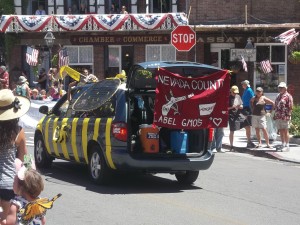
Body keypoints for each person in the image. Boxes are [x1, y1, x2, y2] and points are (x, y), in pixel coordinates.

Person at [0, 89, 30, 223]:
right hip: (8, 183)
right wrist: (31, 173)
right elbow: (25, 158)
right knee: (5, 219)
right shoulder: (18, 132)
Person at [3, 157, 45, 225]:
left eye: (14, 182)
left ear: (21, 187)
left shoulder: (16, 204)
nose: (12, 184)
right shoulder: (40, 203)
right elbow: (43, 221)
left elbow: (10, 223)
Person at [274, 82, 293, 151]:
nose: (280, 89)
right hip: (278, 116)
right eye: (279, 87)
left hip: (285, 116)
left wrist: (288, 115)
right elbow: (276, 105)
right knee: (281, 130)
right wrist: (275, 114)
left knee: (285, 130)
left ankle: (287, 146)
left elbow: (290, 107)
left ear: (285, 88)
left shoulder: (288, 96)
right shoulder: (278, 95)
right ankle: (283, 144)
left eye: (282, 88)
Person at [228, 85, 247, 151]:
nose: (235, 94)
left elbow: (241, 104)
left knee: (247, 124)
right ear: (231, 92)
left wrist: (240, 106)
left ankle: (249, 141)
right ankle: (231, 145)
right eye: (234, 92)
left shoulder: (238, 96)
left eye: (236, 93)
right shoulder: (228, 98)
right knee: (232, 130)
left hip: (238, 113)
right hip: (231, 115)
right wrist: (232, 107)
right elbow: (225, 108)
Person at [241, 80, 255, 148]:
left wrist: (251, 104)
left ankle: (249, 141)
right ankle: (248, 141)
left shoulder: (249, 90)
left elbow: (253, 97)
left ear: (245, 84)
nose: (242, 85)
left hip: (247, 109)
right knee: (246, 126)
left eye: (243, 84)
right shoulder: (245, 90)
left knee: (248, 126)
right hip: (244, 109)